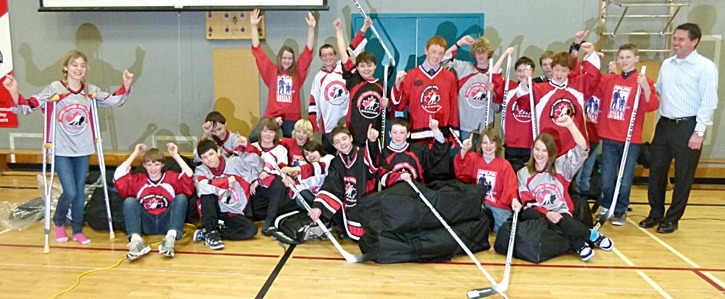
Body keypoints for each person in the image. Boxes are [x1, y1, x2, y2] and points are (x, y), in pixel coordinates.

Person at [3, 50, 134, 245]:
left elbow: (114, 100)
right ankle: (58, 221)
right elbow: (30, 105)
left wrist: (126, 85)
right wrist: (14, 91)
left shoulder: (90, 90)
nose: (78, 69)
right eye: (74, 65)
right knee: (70, 191)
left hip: (83, 149)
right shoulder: (55, 88)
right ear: (65, 67)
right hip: (61, 150)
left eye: (82, 65)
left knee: (79, 192)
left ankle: (78, 230)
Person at [641, 23, 718, 234]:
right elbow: (659, 91)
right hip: (664, 125)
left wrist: (699, 131)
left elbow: (709, 101)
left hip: (688, 126)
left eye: (681, 39)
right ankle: (655, 213)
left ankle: (672, 219)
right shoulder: (667, 64)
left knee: (683, 175)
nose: (676, 43)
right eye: (675, 38)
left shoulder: (705, 67)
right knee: (656, 171)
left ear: (694, 42)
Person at [517, 111, 613, 262]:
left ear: (551, 152)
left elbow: (583, 149)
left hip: (561, 212)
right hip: (540, 213)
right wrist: (546, 213)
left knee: (562, 219)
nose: (540, 154)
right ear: (532, 149)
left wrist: (570, 125)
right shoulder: (523, 173)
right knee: (532, 213)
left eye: (544, 150)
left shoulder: (561, 166)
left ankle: (580, 244)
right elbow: (527, 201)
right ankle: (589, 236)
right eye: (537, 149)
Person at [593, 44, 659, 226]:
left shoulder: (643, 80)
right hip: (609, 136)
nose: (624, 61)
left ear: (636, 59)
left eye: (628, 57)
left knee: (625, 177)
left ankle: (620, 209)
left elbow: (652, 105)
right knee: (606, 177)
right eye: (621, 57)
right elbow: (594, 91)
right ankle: (607, 205)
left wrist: (645, 87)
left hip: (630, 139)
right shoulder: (610, 80)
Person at [514, 39, 600, 157]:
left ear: (569, 71)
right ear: (552, 68)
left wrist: (591, 54)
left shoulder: (578, 86)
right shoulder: (539, 89)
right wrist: (525, 81)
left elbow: (594, 76)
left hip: (572, 146)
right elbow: (523, 102)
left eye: (564, 71)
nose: (559, 74)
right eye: (557, 70)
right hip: (547, 147)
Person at [114, 143, 194, 260]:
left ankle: (170, 239)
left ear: (162, 165)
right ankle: (137, 242)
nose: (153, 168)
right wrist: (135, 153)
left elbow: (189, 176)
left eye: (156, 164)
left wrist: (176, 155)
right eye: (149, 165)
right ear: (144, 165)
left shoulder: (171, 178)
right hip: (146, 223)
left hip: (166, 223)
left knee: (181, 197)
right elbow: (119, 175)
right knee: (129, 201)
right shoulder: (139, 180)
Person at [249, 9, 315, 139]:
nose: (287, 61)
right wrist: (253, 26)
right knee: (253, 137)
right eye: (284, 58)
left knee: (291, 143)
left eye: (290, 58)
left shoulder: (298, 72)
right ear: (279, 58)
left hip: (292, 118)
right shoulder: (271, 71)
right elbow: (258, 52)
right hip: (272, 116)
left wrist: (311, 28)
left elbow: (308, 52)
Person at [309, 18, 370, 153]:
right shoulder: (318, 78)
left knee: (352, 156)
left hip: (348, 123)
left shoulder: (343, 66)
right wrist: (313, 127)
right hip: (329, 126)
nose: (328, 57)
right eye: (324, 55)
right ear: (320, 58)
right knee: (329, 158)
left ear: (336, 55)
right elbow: (313, 104)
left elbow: (353, 47)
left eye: (331, 54)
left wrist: (364, 28)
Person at [308, 125, 379, 241]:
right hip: (349, 206)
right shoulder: (336, 163)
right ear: (334, 146)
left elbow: (375, 163)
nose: (342, 143)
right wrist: (318, 206)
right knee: (332, 202)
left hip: (367, 203)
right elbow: (331, 184)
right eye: (337, 142)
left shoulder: (363, 154)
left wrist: (372, 142)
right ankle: (345, 230)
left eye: (344, 138)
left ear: (351, 138)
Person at [193, 139, 263, 250]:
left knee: (251, 230)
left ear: (218, 152)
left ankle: (214, 233)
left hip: (233, 211)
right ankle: (211, 232)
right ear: (201, 159)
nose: (209, 159)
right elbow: (201, 186)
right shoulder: (201, 170)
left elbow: (258, 165)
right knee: (207, 193)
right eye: (204, 157)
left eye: (211, 154)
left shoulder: (235, 163)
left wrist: (246, 148)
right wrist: (226, 182)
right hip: (213, 209)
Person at [333, 18, 391, 147]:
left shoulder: (382, 85)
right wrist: (338, 31)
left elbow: (390, 114)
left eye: (369, 66)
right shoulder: (354, 80)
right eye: (362, 66)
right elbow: (344, 54)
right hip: (355, 137)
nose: (366, 69)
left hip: (375, 139)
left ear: (375, 66)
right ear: (357, 67)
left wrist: (388, 105)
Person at [391, 36, 459, 144]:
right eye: (433, 51)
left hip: (441, 135)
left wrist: (454, 135)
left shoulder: (449, 77)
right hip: (417, 135)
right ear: (426, 50)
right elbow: (399, 107)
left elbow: (453, 106)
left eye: (440, 53)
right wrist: (397, 85)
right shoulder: (411, 75)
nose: (436, 56)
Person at [455, 128, 520, 232]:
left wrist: (514, 199)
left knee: (505, 229)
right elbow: (461, 167)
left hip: (497, 204)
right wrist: (464, 149)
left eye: (492, 142)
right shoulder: (474, 158)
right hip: (478, 202)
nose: (488, 146)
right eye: (485, 143)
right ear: (480, 145)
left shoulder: (504, 165)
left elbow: (511, 187)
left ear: (497, 144)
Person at [442, 35, 496, 144]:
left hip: (485, 128)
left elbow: (498, 107)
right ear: (473, 54)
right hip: (465, 127)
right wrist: (460, 43)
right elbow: (443, 60)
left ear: (488, 53)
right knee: (465, 159)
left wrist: (494, 93)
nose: (481, 55)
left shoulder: (495, 74)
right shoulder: (464, 68)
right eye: (478, 52)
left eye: (483, 52)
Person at [378, 117, 448, 188]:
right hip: (393, 195)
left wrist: (435, 130)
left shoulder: (418, 150)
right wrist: (400, 176)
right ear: (390, 134)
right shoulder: (384, 153)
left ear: (408, 134)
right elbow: (382, 177)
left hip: (416, 194)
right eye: (394, 132)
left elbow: (438, 151)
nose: (398, 136)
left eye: (402, 132)